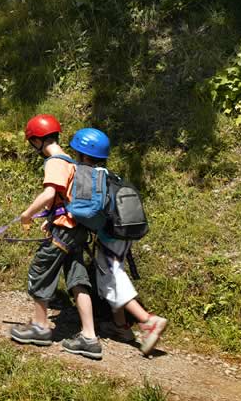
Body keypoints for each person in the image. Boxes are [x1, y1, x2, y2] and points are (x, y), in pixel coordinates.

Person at [69, 128, 168, 356]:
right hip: (124, 234)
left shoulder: (90, 175)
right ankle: (121, 326)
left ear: (84, 155)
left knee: (112, 278)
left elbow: (87, 211)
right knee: (115, 273)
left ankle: (148, 321)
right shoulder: (111, 174)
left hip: (110, 237)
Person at [9, 115, 102, 360]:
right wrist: (50, 221)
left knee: (40, 270)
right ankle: (90, 338)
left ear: (37, 141)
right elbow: (66, 201)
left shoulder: (55, 161)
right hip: (77, 230)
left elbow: (49, 194)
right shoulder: (73, 162)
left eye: (32, 142)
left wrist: (27, 214)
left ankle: (40, 328)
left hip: (64, 231)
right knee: (77, 279)